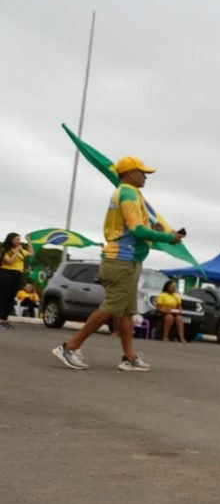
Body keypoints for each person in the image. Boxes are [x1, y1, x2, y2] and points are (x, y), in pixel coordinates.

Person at [52, 157, 183, 371]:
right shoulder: (129, 193)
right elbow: (137, 230)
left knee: (127, 312)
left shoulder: (129, 193)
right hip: (122, 259)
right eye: (142, 172)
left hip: (129, 259)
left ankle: (129, 357)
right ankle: (70, 346)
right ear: (129, 173)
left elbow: (135, 227)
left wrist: (156, 231)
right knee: (112, 307)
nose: (145, 176)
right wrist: (168, 237)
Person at [1, 232, 33, 329]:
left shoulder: (21, 250)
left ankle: (4, 319)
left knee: (11, 298)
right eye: (17, 239)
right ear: (11, 240)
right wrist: (16, 251)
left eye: (19, 239)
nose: (19, 241)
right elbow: (10, 262)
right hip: (6, 273)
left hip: (17, 274)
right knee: (3, 297)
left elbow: (31, 253)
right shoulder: (5, 250)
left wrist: (29, 241)